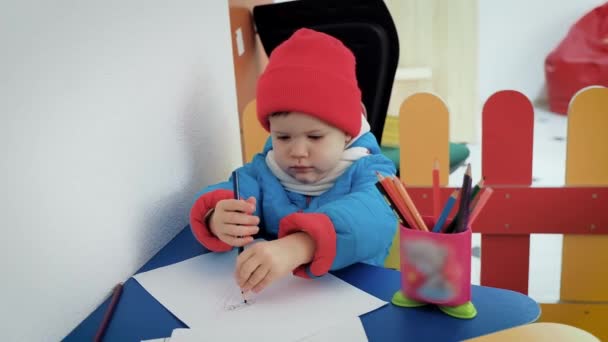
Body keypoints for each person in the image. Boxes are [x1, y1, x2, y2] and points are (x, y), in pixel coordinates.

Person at [189, 28, 397, 295]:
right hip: (282, 302)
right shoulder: (266, 169)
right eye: (284, 137)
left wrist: (301, 245)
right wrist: (215, 217)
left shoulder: (371, 170)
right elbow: (236, 189)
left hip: (353, 296)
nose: (298, 151)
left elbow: (375, 219)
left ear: (347, 133)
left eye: (315, 136)